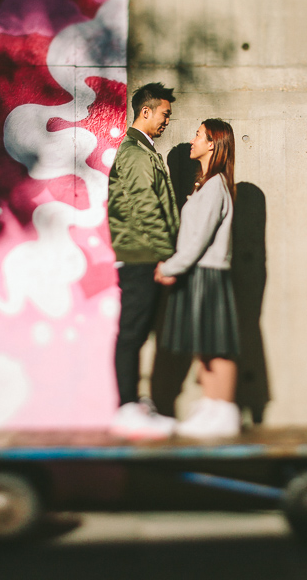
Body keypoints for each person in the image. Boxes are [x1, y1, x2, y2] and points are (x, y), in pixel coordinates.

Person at [155, 119, 241, 438]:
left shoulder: (215, 186)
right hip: (200, 273)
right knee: (206, 345)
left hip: (209, 273)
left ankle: (224, 410)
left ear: (212, 144)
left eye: (198, 136)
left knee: (216, 346)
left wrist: (169, 267)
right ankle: (212, 405)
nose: (192, 140)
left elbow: (197, 240)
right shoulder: (206, 184)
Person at [107, 83, 180, 438]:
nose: (168, 120)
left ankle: (134, 405)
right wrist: (167, 257)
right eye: (165, 113)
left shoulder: (144, 151)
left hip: (143, 254)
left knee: (139, 333)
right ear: (146, 111)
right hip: (141, 255)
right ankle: (125, 408)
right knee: (132, 333)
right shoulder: (136, 154)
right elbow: (146, 208)